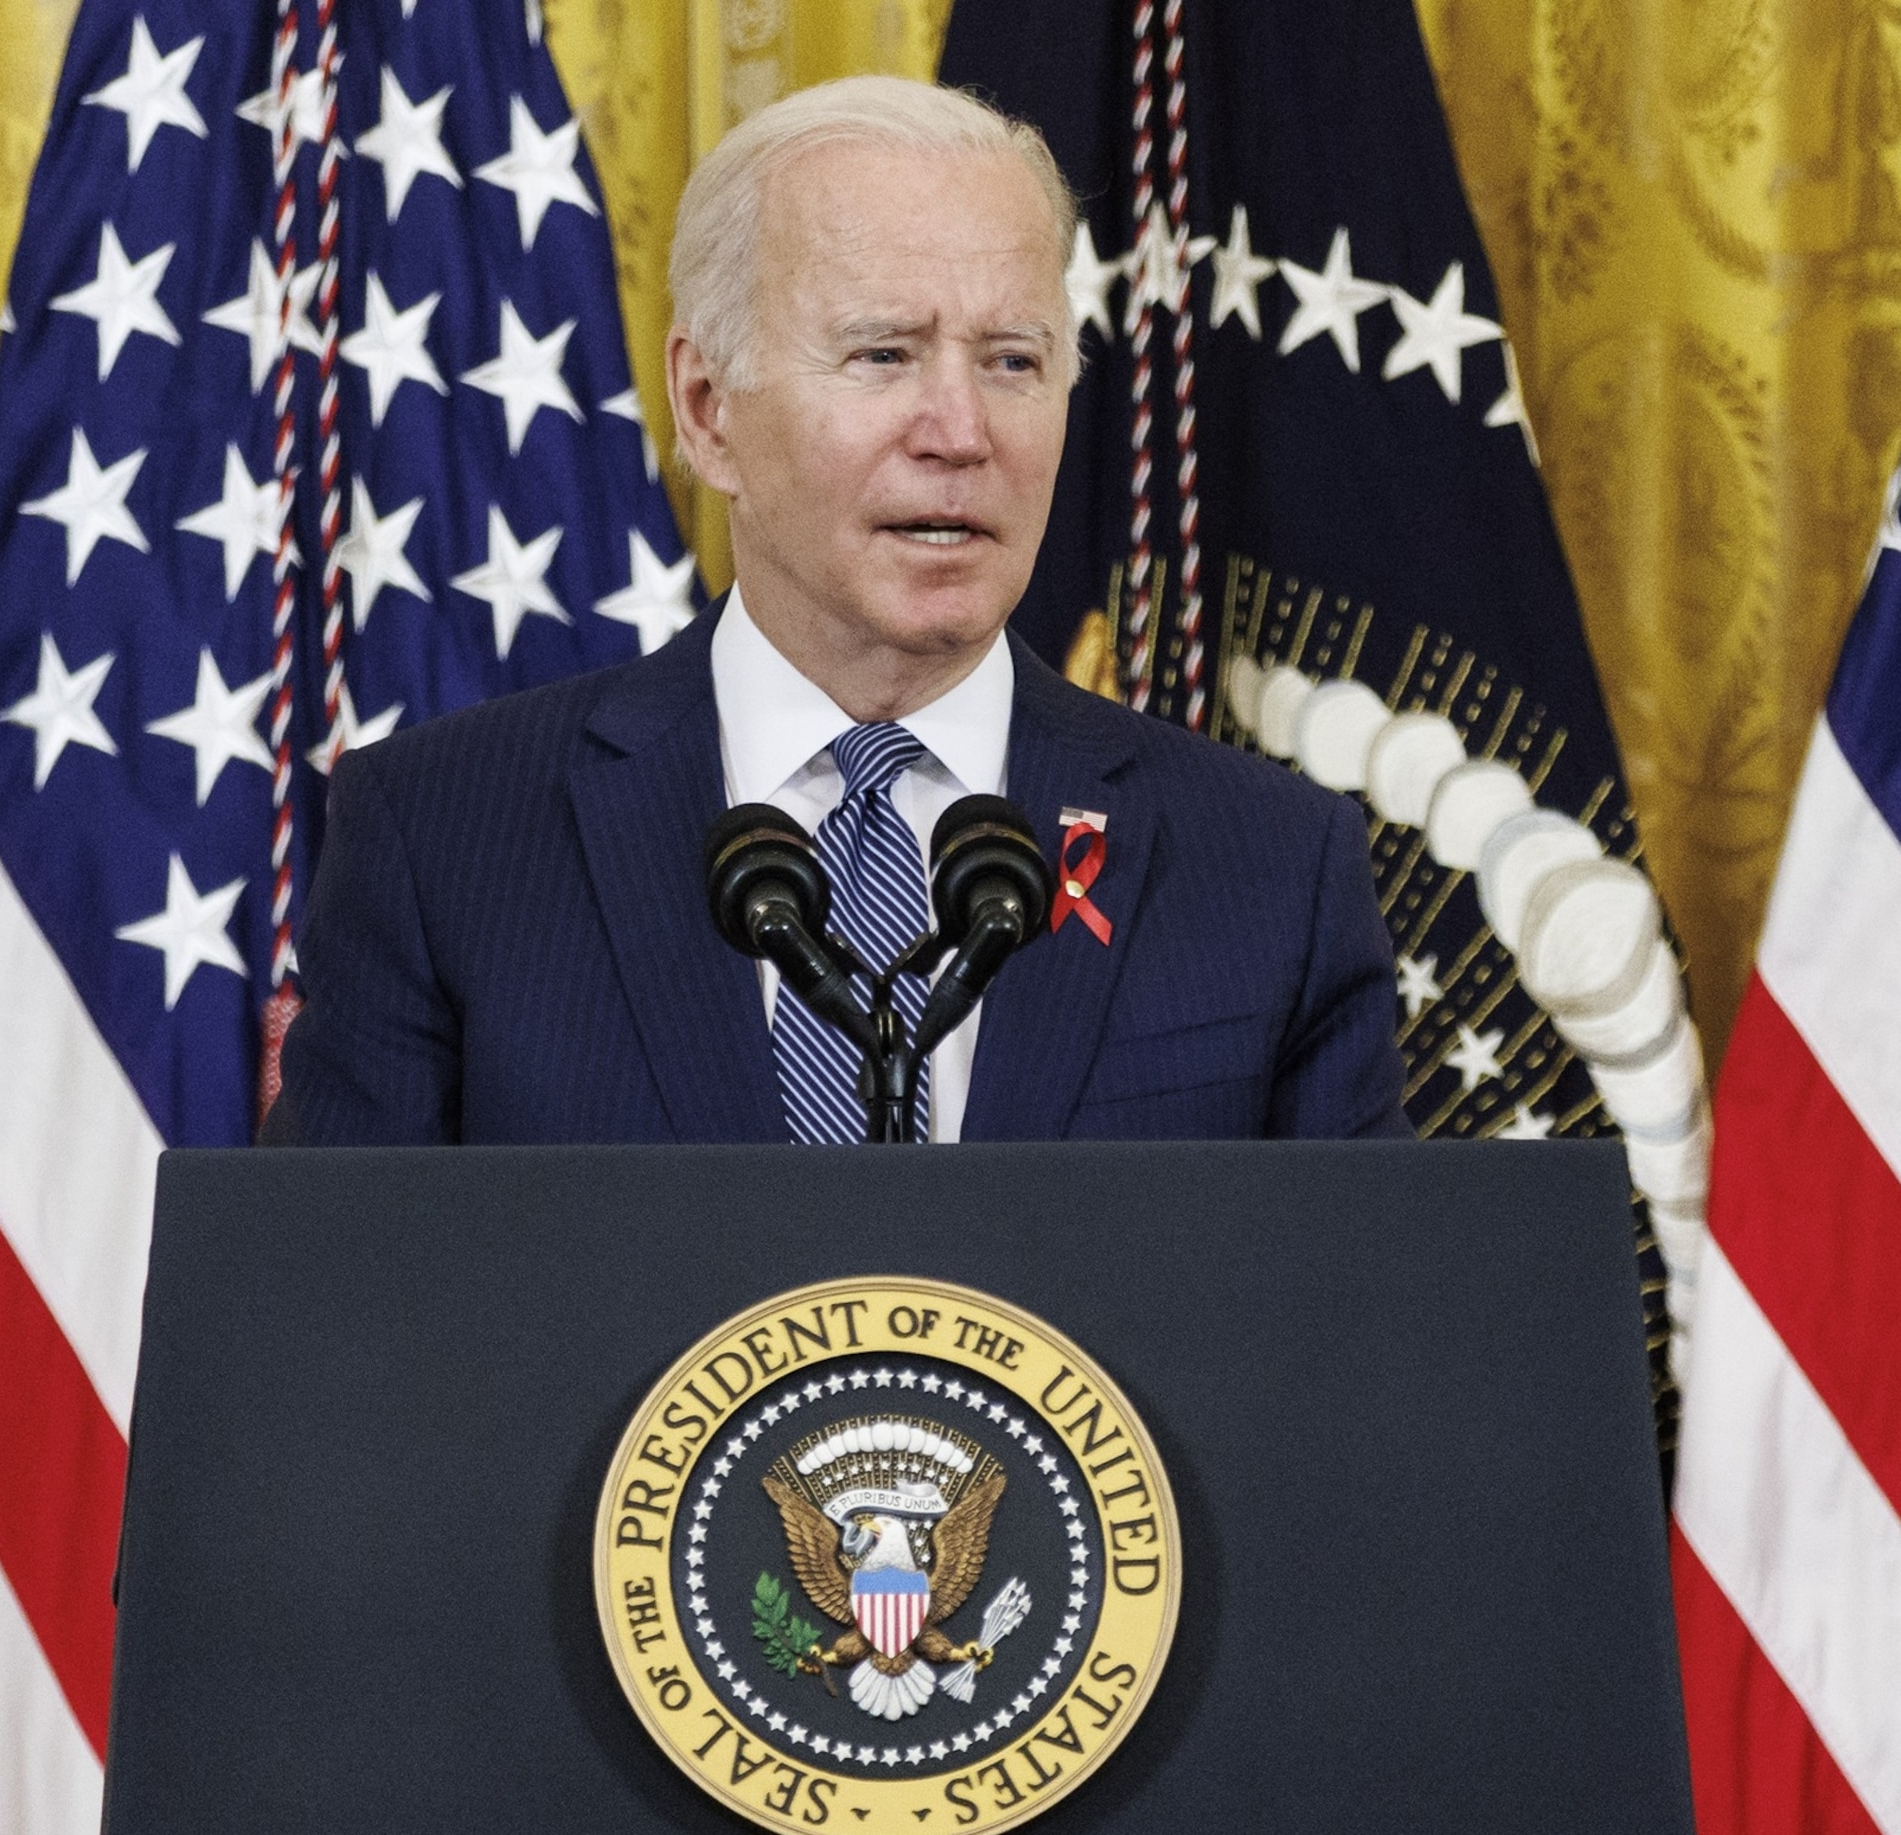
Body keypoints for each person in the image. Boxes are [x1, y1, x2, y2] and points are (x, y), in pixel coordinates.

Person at [264, 76, 1407, 1146]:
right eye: (883, 355)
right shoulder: (443, 840)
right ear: (709, 410)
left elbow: (1360, 1340)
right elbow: (325, 1329)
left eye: (1013, 361)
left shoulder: (1272, 868)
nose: (960, 431)